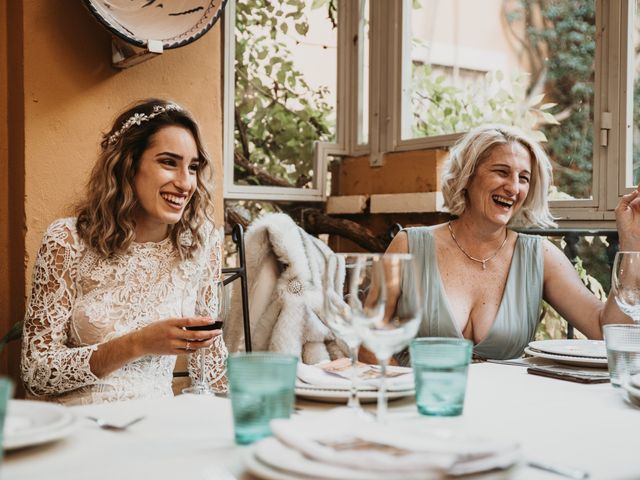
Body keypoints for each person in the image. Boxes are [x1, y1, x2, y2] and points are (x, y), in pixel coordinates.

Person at [20, 99, 227, 404]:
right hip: (77, 426)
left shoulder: (200, 244)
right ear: (128, 165)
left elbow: (211, 371)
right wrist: (139, 343)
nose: (186, 183)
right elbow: (37, 374)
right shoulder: (67, 241)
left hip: (155, 425)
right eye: (169, 162)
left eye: (193, 167)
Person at [386, 124, 638, 360]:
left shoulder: (541, 256)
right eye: (501, 172)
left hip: (506, 405)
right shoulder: (407, 246)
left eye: (524, 178)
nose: (514, 188)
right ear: (468, 176)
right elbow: (367, 340)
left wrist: (631, 242)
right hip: (419, 401)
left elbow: (606, 330)